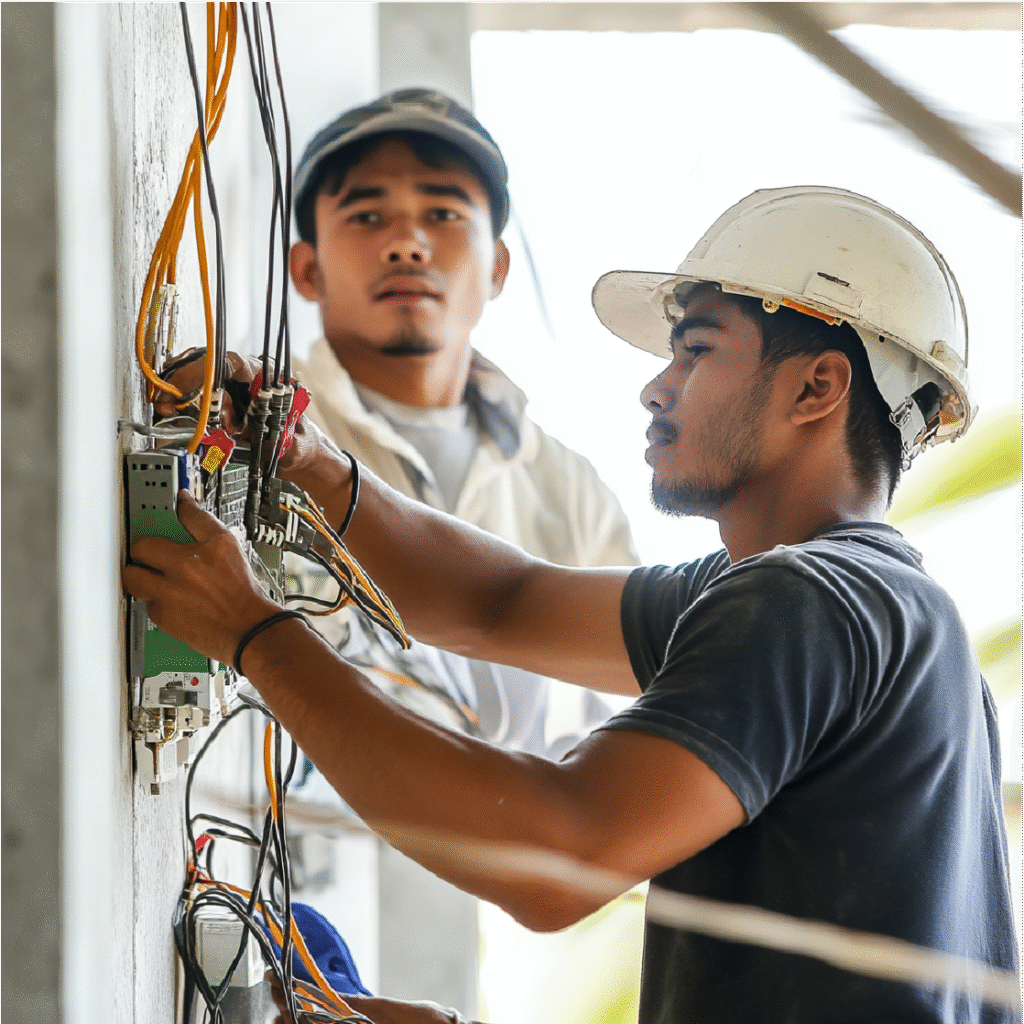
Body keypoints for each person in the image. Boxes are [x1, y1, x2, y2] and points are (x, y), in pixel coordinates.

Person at [129, 186, 1019, 1024]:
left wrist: (254, 636)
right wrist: (305, 456)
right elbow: (499, 603)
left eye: (697, 350)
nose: (656, 387)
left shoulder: (811, 604)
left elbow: (555, 857)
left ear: (817, 388)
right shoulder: (873, 617)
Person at [159, 87, 640, 1013]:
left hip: (462, 928)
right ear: (305, 266)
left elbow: (608, 744)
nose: (407, 241)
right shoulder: (255, 418)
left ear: (497, 265)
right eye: (368, 212)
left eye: (443, 213)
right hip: (248, 910)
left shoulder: (570, 492)